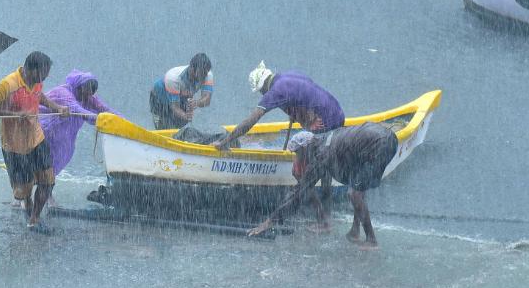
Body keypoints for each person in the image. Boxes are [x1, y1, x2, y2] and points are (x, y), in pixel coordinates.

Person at [212, 61, 345, 230]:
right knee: (325, 171)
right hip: (337, 114)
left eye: (260, 91)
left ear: (262, 87)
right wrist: (301, 115)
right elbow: (307, 93)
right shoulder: (288, 75)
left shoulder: (275, 92)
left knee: (300, 173)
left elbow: (251, 121)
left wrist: (226, 141)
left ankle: (322, 220)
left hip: (324, 124)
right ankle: (326, 216)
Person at [247, 123, 399, 250]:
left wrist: (270, 221)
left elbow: (299, 192)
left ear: (306, 148)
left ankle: (371, 241)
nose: (297, 158)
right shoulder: (325, 140)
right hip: (388, 137)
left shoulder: (322, 155)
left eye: (297, 154)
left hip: (379, 144)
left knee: (354, 194)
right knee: (357, 184)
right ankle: (355, 231)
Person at [0, 51, 69, 230]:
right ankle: (28, 208)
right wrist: (16, 115)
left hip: (36, 138)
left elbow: (39, 95)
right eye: (43, 73)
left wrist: (57, 107)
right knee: (24, 190)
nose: (45, 78)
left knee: (48, 180)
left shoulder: (37, 83)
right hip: (15, 145)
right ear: (32, 69)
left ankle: (35, 218)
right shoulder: (7, 85)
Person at [39, 69, 117, 176]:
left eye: (91, 93)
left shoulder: (87, 97)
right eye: (86, 92)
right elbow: (79, 111)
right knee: (41, 176)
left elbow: (104, 109)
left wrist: (122, 122)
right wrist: (102, 120)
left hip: (62, 141)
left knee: (49, 179)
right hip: (44, 135)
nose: (88, 96)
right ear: (79, 87)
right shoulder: (63, 93)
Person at [149, 53, 214, 129]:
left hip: (180, 95)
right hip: (159, 99)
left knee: (182, 125)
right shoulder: (173, 78)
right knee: (164, 126)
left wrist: (196, 103)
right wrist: (185, 116)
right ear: (192, 69)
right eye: (201, 74)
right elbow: (175, 107)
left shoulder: (207, 75)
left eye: (205, 74)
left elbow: (207, 100)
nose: (203, 77)